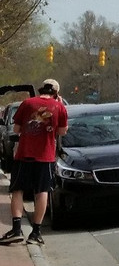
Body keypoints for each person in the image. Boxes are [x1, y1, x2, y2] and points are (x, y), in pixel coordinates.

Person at [1, 78, 68, 246]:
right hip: (45, 156)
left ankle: (16, 230)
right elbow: (62, 131)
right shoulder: (59, 107)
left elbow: (16, 129)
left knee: (17, 189)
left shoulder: (27, 103)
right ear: (56, 93)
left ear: (40, 90)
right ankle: (35, 233)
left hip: (24, 154)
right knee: (42, 192)